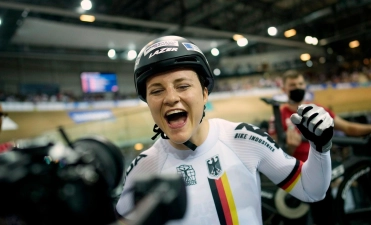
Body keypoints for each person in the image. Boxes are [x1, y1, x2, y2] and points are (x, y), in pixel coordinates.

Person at [116, 36, 335, 225]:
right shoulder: (143, 168)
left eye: (183, 86)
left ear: (204, 94)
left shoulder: (245, 139)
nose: (171, 98)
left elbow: (310, 190)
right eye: (156, 91)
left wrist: (320, 148)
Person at [267, 70, 371, 225]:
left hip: (319, 170)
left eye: (300, 84)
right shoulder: (278, 116)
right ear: (284, 89)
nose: (297, 87)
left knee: (327, 218)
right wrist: (291, 149)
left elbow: (347, 127)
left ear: (305, 86)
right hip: (294, 176)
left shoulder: (317, 110)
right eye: (293, 85)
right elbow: (274, 154)